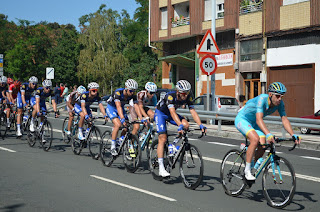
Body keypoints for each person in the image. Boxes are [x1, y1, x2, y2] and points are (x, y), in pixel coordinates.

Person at [235, 82, 301, 181]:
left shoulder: (279, 103)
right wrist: (268, 134)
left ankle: (252, 162)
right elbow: (259, 119)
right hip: (243, 119)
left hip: (253, 123)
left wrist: (293, 134)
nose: (280, 99)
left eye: (281, 96)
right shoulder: (262, 99)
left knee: (263, 144)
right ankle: (247, 171)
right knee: (255, 139)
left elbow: (284, 119)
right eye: (277, 96)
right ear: (270, 94)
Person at [155, 80, 207, 177]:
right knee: (162, 138)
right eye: (184, 93)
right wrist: (179, 125)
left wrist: (201, 125)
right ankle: (161, 168)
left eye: (187, 93)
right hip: (161, 114)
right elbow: (173, 112)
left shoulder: (188, 96)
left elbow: (193, 112)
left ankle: (173, 145)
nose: (185, 96)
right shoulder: (170, 96)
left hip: (171, 114)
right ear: (178, 92)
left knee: (186, 125)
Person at [105, 79, 144, 156]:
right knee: (118, 124)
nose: (132, 93)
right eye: (130, 91)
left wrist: (141, 118)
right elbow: (118, 106)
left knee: (127, 126)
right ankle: (112, 147)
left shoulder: (133, 95)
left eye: (134, 91)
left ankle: (120, 140)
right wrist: (122, 118)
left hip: (121, 108)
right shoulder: (118, 93)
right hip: (112, 108)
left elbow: (136, 106)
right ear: (126, 88)